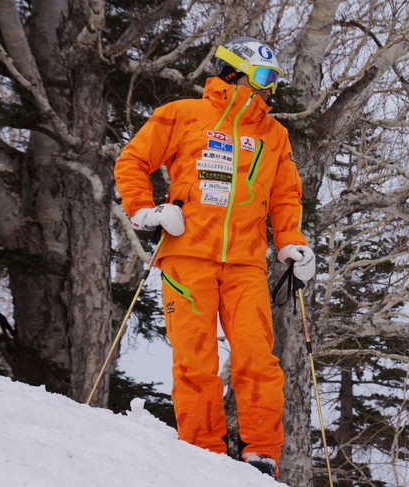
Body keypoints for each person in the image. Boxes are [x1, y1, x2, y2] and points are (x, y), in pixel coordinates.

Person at [114, 37, 315, 478]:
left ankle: (261, 452)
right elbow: (132, 161)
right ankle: (201, 452)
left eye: (274, 81)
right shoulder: (183, 115)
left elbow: (285, 195)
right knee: (195, 357)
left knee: (257, 357)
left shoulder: (273, 134)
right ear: (232, 72)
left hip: (245, 263)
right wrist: (146, 210)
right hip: (187, 255)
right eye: (263, 78)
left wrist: (289, 241)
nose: (269, 90)